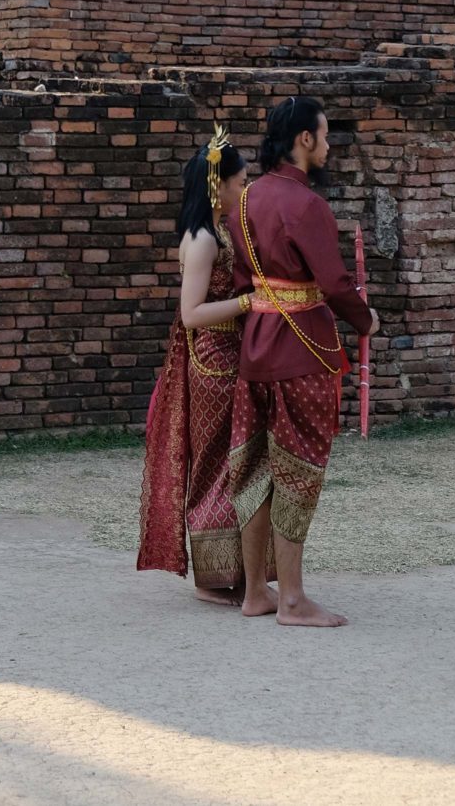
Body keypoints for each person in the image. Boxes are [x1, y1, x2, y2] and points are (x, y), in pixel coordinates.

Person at [227, 95, 376, 628]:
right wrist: (365, 320)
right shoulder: (306, 204)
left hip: (255, 347)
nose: (330, 145)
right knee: (297, 473)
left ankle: (255, 594)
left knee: (254, 473)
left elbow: (243, 278)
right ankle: (291, 599)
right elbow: (334, 283)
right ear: (304, 139)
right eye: (326, 135)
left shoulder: (243, 200)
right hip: (302, 350)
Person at [137, 127, 258, 605]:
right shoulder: (204, 239)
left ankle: (235, 571)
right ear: (218, 184)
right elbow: (191, 314)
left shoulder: (220, 231)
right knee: (215, 466)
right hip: (213, 359)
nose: (244, 190)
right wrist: (250, 302)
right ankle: (212, 579)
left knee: (234, 463)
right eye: (240, 182)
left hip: (229, 356)